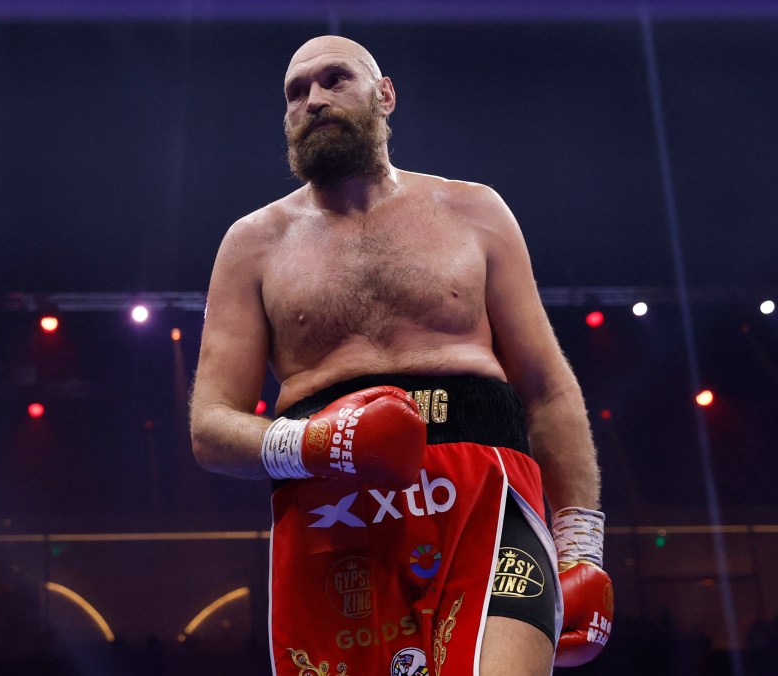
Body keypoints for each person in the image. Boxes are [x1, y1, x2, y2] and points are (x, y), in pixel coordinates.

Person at [190, 35, 613, 675]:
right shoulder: (252, 244)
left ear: (386, 95)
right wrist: (317, 444)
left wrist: (581, 545)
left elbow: (547, 387)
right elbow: (211, 427)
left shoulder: (476, 211)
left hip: (487, 500)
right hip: (334, 515)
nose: (314, 99)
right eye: (295, 92)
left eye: (335, 79)